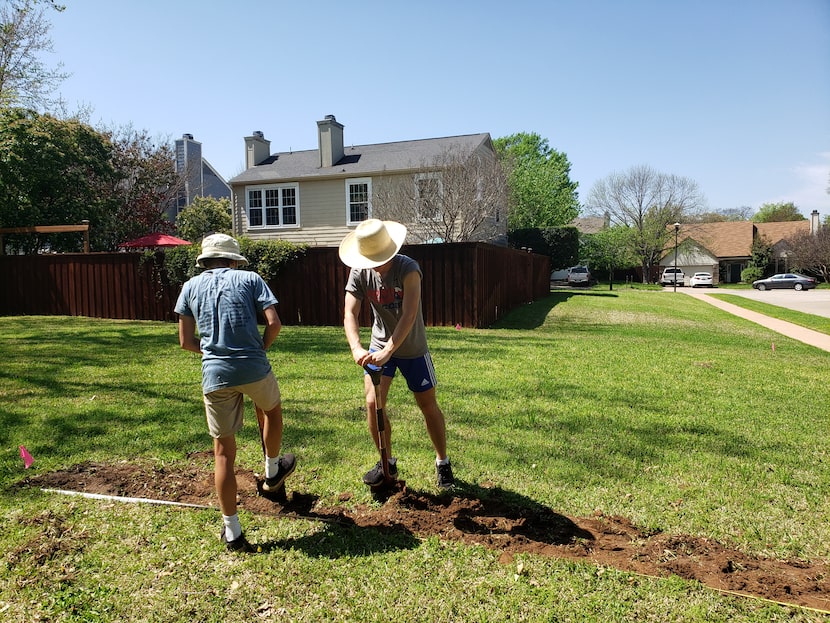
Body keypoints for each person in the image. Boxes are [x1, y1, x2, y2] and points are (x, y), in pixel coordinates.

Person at [174, 233, 295, 552]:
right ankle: (272, 471)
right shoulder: (251, 279)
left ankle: (233, 532)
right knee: (272, 411)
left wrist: (214, 353)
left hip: (215, 374)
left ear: (205, 261)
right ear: (233, 259)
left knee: (223, 453)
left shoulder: (189, 287)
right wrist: (260, 347)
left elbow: (186, 341)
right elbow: (274, 323)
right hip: (254, 367)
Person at [339, 219, 454, 489]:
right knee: (372, 403)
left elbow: (409, 314)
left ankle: (443, 462)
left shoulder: (408, 268)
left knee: (427, 405)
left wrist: (390, 350)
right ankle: (386, 461)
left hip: (413, 348)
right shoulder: (359, 272)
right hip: (379, 345)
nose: (376, 265)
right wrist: (356, 347)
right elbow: (349, 313)